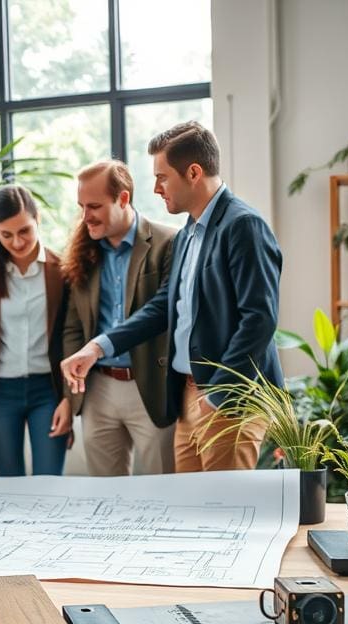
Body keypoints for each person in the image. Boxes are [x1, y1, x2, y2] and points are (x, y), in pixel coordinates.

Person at [61, 122, 283, 472]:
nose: (155, 188)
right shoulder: (186, 235)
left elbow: (259, 319)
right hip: (188, 395)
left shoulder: (243, 226)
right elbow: (163, 307)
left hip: (228, 398)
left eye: (162, 177)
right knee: (189, 512)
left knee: (224, 513)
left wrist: (220, 393)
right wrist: (97, 347)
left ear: (193, 173)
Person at [61, 160, 177, 476]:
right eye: (81, 206)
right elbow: (73, 326)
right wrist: (72, 392)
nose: (85, 216)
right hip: (97, 389)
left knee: (164, 489)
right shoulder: (82, 252)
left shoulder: (168, 242)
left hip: (149, 386)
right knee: (106, 496)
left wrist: (98, 346)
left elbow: (162, 312)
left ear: (123, 199)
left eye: (94, 206)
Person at [0, 185, 71, 476]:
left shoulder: (61, 269)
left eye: (24, 230)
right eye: (6, 234)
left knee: (48, 482)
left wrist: (68, 398)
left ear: (38, 219)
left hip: (47, 391)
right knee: (10, 485)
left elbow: (70, 335)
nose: (16, 241)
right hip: (1, 393)